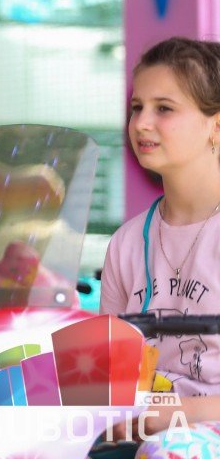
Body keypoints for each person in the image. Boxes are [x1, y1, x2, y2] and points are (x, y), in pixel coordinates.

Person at [101, 37, 220, 455]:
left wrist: (170, 415)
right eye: (137, 107)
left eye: (164, 109)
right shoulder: (127, 242)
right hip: (147, 426)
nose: (141, 124)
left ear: (216, 125)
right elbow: (111, 373)